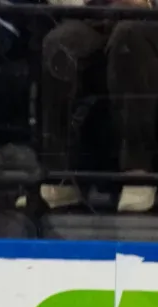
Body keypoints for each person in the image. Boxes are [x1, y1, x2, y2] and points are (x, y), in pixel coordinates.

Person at [27, 5, 158, 212]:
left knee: (128, 36)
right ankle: (60, 176)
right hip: (102, 13)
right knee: (59, 42)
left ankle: (138, 172)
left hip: (151, 18)